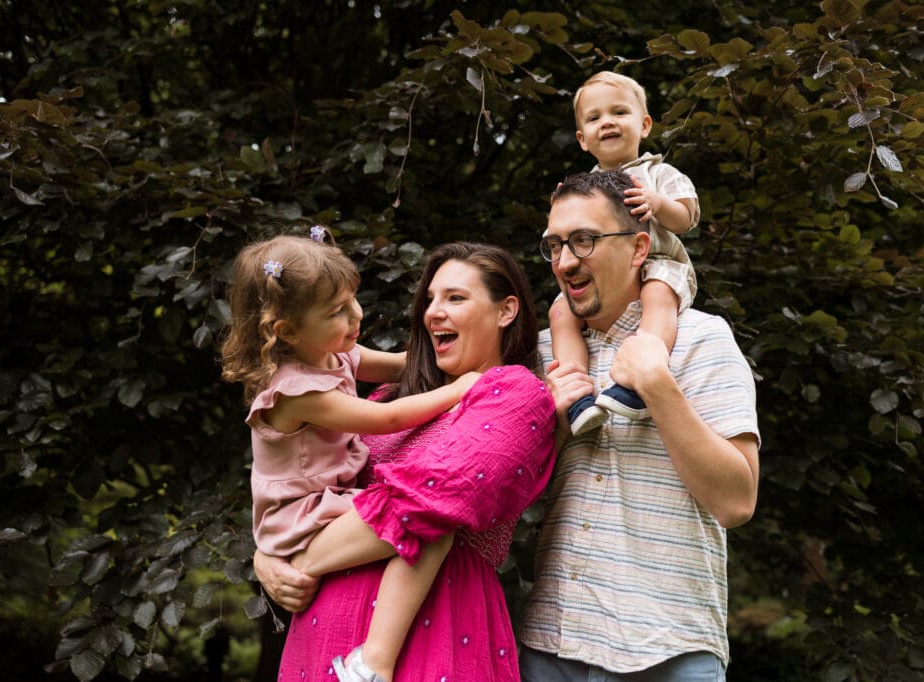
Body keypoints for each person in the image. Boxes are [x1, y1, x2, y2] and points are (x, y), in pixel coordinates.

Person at [251, 242, 557, 682]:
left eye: (455, 297)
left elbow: (437, 494)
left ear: (506, 310)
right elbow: (310, 487)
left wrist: (302, 560)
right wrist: (267, 555)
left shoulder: (512, 390)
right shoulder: (389, 399)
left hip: (438, 621)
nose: (433, 311)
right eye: (429, 299)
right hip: (326, 630)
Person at [520, 170, 760, 681]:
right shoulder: (542, 355)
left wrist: (656, 383)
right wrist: (556, 427)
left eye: (583, 240)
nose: (564, 262)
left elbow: (737, 502)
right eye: (554, 245)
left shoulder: (702, 340)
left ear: (638, 248)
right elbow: (500, 498)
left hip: (665, 646)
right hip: (551, 643)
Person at [221, 231, 488, 681]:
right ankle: (372, 664)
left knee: (423, 520)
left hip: (329, 504)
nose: (356, 315)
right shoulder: (294, 391)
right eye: (336, 311)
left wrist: (471, 351)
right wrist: (462, 388)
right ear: (287, 331)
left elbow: (408, 362)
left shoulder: (333, 354)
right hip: (301, 517)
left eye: (352, 300)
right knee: (428, 524)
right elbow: (386, 419)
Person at [552, 70, 701, 436]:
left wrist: (658, 203)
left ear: (645, 124)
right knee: (560, 310)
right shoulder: (584, 185)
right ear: (582, 139)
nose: (607, 123)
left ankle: (636, 379)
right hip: (606, 275)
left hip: (661, 266)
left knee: (657, 296)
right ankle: (576, 394)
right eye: (594, 117)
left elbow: (687, 218)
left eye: (619, 112)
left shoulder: (659, 173)